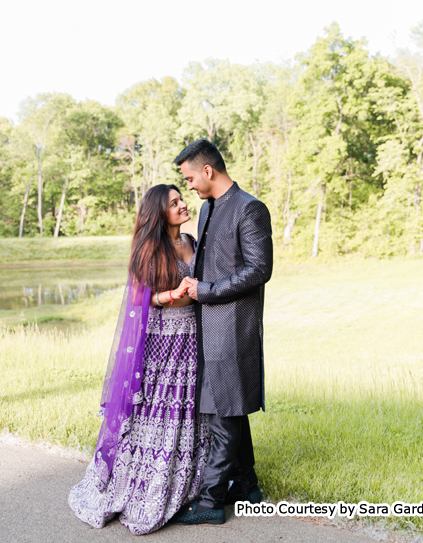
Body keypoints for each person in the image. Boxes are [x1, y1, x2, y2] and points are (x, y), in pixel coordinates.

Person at [68, 184, 211, 535]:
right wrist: (172, 295)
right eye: (174, 203)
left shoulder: (192, 241)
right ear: (159, 213)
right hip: (162, 341)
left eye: (181, 199)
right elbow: (141, 299)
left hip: (193, 337)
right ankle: (145, 486)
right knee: (159, 408)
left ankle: (192, 483)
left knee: (187, 408)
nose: (182, 205)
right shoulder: (149, 249)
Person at [171, 139, 273, 525]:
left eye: (191, 177)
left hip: (233, 327)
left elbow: (259, 270)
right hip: (206, 325)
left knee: (221, 413)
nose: (190, 185)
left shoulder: (249, 209)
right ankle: (247, 487)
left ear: (208, 171)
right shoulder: (207, 209)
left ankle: (212, 501)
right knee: (229, 408)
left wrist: (206, 291)